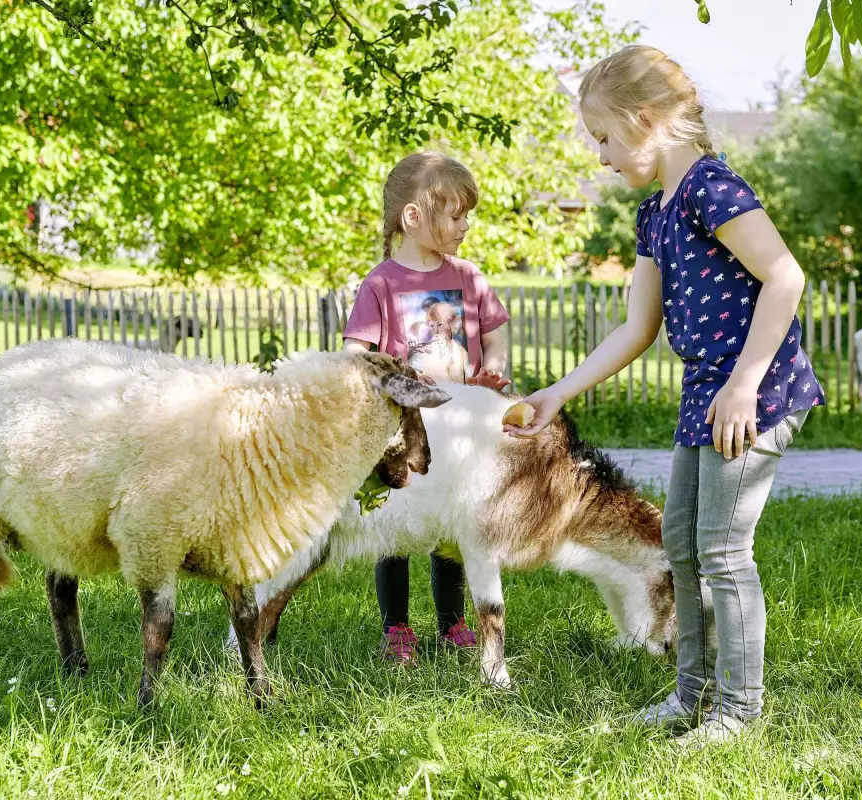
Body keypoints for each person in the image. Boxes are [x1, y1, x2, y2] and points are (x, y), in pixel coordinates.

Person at [505, 46, 825, 744]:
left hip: (756, 389)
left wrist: (744, 385)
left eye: (603, 138)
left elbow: (785, 278)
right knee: (680, 542)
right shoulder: (656, 215)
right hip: (705, 390)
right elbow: (637, 328)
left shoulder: (713, 187)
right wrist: (558, 393)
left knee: (723, 550)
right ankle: (692, 696)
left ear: (643, 121)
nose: (599, 158)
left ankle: (738, 712)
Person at [343, 151, 512, 663]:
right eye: (456, 215)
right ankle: (396, 628)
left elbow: (496, 330)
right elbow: (356, 354)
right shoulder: (381, 284)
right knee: (395, 527)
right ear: (414, 217)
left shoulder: (469, 277)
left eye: (466, 215)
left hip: (460, 431)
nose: (465, 225)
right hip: (404, 433)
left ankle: (452, 621)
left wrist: (495, 375)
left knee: (452, 527)